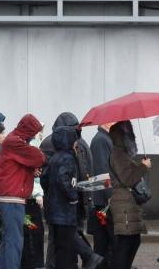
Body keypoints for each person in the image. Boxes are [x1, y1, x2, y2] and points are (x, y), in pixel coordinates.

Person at [42, 113, 97, 269]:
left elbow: (49, 177)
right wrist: (76, 196)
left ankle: (83, 259)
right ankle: (88, 258)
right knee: (67, 238)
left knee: (62, 240)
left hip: (65, 201)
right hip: (72, 200)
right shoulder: (75, 146)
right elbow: (65, 177)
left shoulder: (53, 145)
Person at [0, 114, 47, 269]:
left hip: (10, 195)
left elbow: (17, 166)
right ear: (29, 130)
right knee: (15, 241)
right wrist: (35, 150)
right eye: (34, 132)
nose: (35, 136)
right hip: (12, 197)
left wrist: (30, 171)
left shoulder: (13, 140)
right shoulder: (15, 142)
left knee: (9, 240)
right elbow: (39, 158)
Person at [106, 121, 149, 269]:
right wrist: (144, 167)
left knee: (133, 241)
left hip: (127, 202)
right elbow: (127, 179)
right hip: (123, 203)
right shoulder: (118, 153)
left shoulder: (121, 153)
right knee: (126, 243)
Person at [43, 125, 81, 269]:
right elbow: (63, 178)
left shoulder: (54, 157)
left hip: (53, 210)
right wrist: (73, 196)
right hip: (65, 211)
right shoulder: (68, 158)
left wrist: (51, 192)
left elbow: (44, 179)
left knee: (59, 249)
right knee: (66, 250)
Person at [88, 122, 116, 264]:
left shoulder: (105, 139)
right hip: (103, 201)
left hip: (103, 199)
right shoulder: (101, 140)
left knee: (105, 241)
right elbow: (102, 171)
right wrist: (110, 195)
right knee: (104, 242)